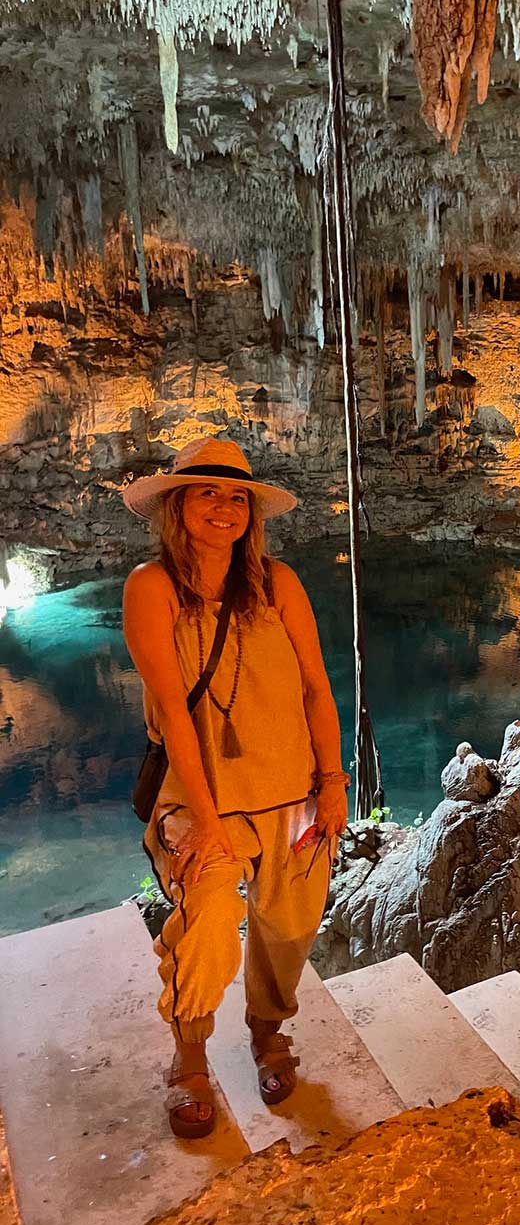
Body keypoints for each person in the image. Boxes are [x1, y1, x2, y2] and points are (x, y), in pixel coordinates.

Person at [122, 436, 350, 1139]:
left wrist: (333, 781)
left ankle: (267, 1032)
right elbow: (175, 713)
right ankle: (189, 1056)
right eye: (207, 492)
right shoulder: (152, 587)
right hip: (203, 799)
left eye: (237, 497)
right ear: (177, 505)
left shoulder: (277, 584)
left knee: (289, 926)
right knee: (209, 918)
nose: (224, 508)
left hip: (292, 795)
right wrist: (206, 818)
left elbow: (316, 688)